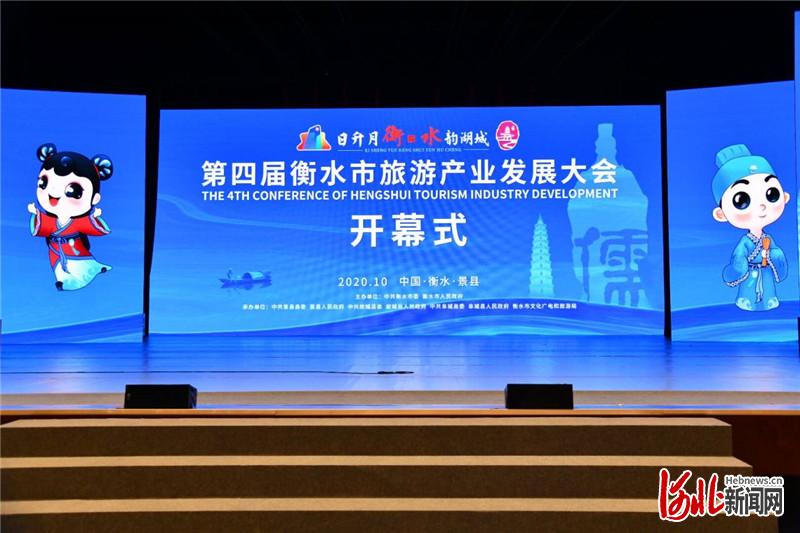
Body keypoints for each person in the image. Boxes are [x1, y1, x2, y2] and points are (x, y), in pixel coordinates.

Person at [711, 144, 790, 311]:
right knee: (749, 291)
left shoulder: (768, 239)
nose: (761, 207)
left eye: (771, 194)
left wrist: (773, 255)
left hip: (766, 270)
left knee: (767, 289)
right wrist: (739, 267)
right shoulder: (746, 242)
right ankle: (746, 301)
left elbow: (776, 253)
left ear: (784, 197)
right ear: (721, 214)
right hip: (750, 272)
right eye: (742, 200)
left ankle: (769, 301)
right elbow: (739, 258)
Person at [28, 143, 113, 291]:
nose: (54, 193)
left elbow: (97, 228)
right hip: (55, 248)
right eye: (43, 183)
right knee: (59, 269)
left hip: (75, 248)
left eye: (72, 191)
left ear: (94, 198)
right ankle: (64, 282)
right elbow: (39, 228)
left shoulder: (78, 222)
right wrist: (35, 214)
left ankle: (93, 270)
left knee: (83, 266)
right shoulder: (50, 220)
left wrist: (95, 217)